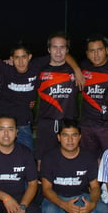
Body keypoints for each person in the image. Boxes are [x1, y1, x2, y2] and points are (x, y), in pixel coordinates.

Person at [0, 41, 84, 151]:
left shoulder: (36, 66)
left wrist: (76, 70)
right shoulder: (4, 68)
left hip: (24, 125)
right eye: (16, 57)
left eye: (23, 57)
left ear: (29, 57)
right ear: (11, 58)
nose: (20, 61)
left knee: (27, 159)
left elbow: (62, 55)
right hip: (4, 124)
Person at [41, 119, 107, 213]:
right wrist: (63, 204)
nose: (70, 140)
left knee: (102, 209)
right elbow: (46, 189)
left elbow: (95, 187)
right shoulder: (49, 157)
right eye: (65, 135)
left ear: (80, 137)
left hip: (80, 198)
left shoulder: (89, 157)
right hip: (57, 198)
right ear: (59, 137)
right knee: (47, 211)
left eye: (74, 135)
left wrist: (92, 203)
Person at [35, 32, 81, 169]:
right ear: (49, 49)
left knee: (68, 160)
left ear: (67, 50)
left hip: (68, 123)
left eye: (62, 47)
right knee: (42, 160)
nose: (58, 51)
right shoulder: (39, 70)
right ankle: (41, 188)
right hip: (46, 123)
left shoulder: (76, 72)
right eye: (55, 47)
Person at [79, 33, 108, 161]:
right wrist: (75, 68)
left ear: (107, 50)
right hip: (87, 124)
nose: (96, 54)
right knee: (90, 160)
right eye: (92, 51)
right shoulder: (83, 67)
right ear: (87, 53)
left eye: (100, 50)